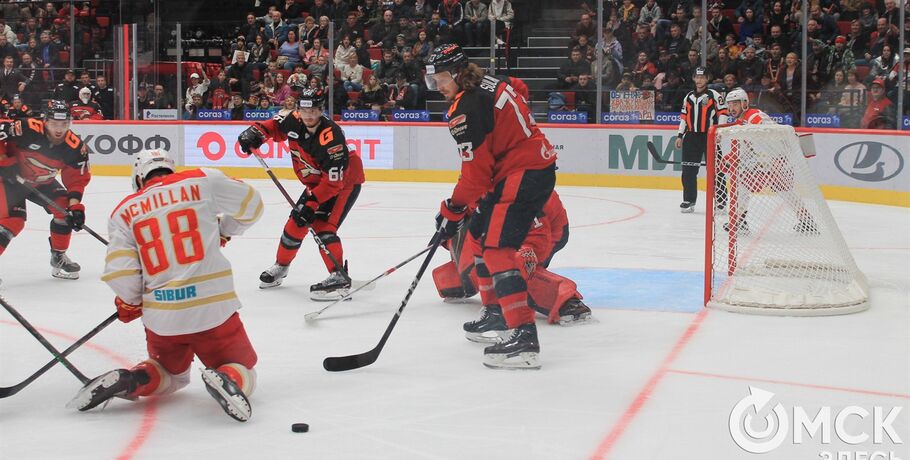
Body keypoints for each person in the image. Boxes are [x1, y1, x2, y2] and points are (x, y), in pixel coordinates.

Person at [68, 149, 263, 422]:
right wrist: (224, 230)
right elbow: (252, 204)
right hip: (214, 309)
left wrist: (131, 302)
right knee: (243, 368)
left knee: (169, 374)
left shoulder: (123, 212)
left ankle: (135, 378)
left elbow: (120, 272)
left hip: (163, 317)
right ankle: (228, 376)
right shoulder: (202, 180)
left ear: (139, 178)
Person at [425, 44, 557, 370]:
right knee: (480, 234)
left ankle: (523, 335)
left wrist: (452, 209)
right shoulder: (486, 82)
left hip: (521, 173)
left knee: (498, 249)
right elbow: (519, 92)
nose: (438, 86)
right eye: (434, 80)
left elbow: (475, 177)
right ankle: (496, 314)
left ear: (457, 74)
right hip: (525, 167)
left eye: (442, 78)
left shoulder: (465, 107)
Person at [238, 88, 365, 299]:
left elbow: (333, 183)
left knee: (322, 228)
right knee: (296, 222)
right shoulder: (293, 120)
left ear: (321, 110)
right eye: (304, 110)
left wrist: (311, 204)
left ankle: (339, 277)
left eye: (313, 110)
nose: (308, 115)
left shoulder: (331, 139)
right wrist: (255, 133)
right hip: (317, 182)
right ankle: (281, 266)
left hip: (344, 182)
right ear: (298, 109)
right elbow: (273, 127)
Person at [432, 189, 593, 340]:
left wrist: (518, 259)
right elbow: (472, 201)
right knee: (484, 254)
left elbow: (537, 236)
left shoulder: (522, 187)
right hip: (510, 225)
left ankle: (565, 299)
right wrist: (450, 225)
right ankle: (462, 280)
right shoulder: (485, 172)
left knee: (507, 269)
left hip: (546, 232)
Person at [0, 101, 89, 279]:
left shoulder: (75, 147)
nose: (59, 129)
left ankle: (58, 257)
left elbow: (76, 180)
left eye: (64, 124)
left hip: (41, 181)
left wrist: (75, 207)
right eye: (55, 123)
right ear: (45, 121)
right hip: (9, 178)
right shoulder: (27, 128)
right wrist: (4, 160)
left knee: (64, 212)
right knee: (14, 221)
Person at [722, 88, 818, 234]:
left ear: (744, 104)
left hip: (774, 159)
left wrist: (776, 161)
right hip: (769, 160)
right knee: (744, 184)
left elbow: (770, 140)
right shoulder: (743, 121)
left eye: (735, 104)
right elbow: (747, 147)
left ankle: (806, 221)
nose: (732, 108)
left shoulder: (754, 117)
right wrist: (731, 158)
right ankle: (806, 221)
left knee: (781, 190)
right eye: (729, 104)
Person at [675, 67, 728, 213]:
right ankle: (688, 200)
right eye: (697, 77)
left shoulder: (714, 95)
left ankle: (721, 201)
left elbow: (723, 112)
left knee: (716, 169)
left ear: (707, 79)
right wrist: (680, 135)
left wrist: (719, 131)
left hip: (709, 136)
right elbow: (684, 117)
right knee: (688, 170)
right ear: (693, 78)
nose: (699, 80)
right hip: (691, 137)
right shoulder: (688, 97)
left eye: (702, 77)